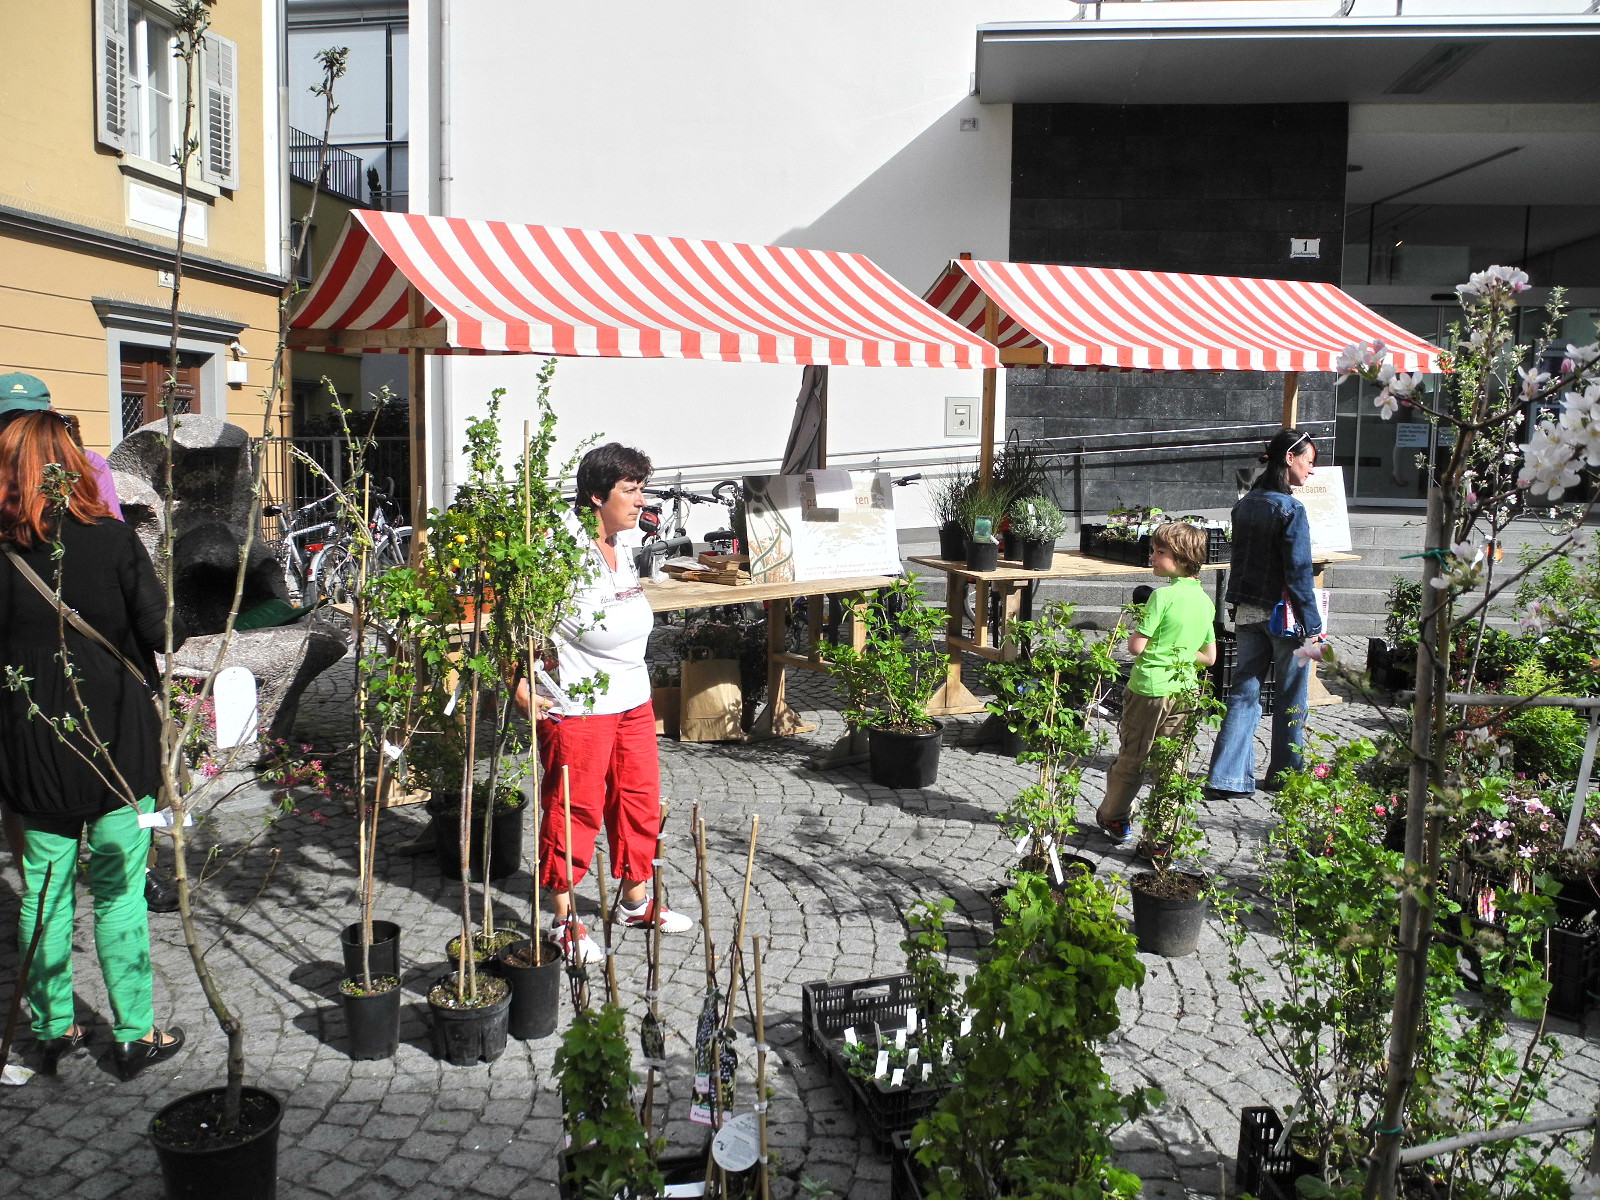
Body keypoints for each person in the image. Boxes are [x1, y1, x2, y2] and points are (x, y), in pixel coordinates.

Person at [0, 409, 186, 1079]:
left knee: (43, 895)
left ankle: (53, 1029)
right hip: (116, 746)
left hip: (32, 751)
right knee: (119, 893)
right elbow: (162, 632)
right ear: (71, 465)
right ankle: (134, 1035)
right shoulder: (111, 539)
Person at [516, 442, 691, 964]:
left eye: (642, 489)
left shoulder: (620, 545)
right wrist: (517, 682)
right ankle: (563, 920)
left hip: (633, 700)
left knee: (638, 799)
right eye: (630, 491)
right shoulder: (559, 552)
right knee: (575, 808)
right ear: (597, 496)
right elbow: (514, 616)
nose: (641, 501)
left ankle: (635, 901)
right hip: (579, 706)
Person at [1206, 428, 1325, 799]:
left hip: (1246, 611)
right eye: (1308, 462)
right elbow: (1299, 572)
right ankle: (1286, 776)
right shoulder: (1291, 508)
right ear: (1289, 458)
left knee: (1244, 692)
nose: (1311, 470)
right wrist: (1313, 624)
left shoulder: (1244, 505)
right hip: (1284, 616)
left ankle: (1226, 777)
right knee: (1292, 696)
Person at [1096, 523, 1217, 845]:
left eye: (1159, 551)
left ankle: (1114, 816)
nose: (1152, 557)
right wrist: (1180, 653)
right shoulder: (1205, 601)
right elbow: (1209, 657)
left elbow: (1136, 646)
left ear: (1181, 558)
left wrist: (1162, 650)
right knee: (1172, 764)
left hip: (1149, 689)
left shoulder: (1162, 597)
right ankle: (1160, 840)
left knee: (1133, 757)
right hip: (1185, 689)